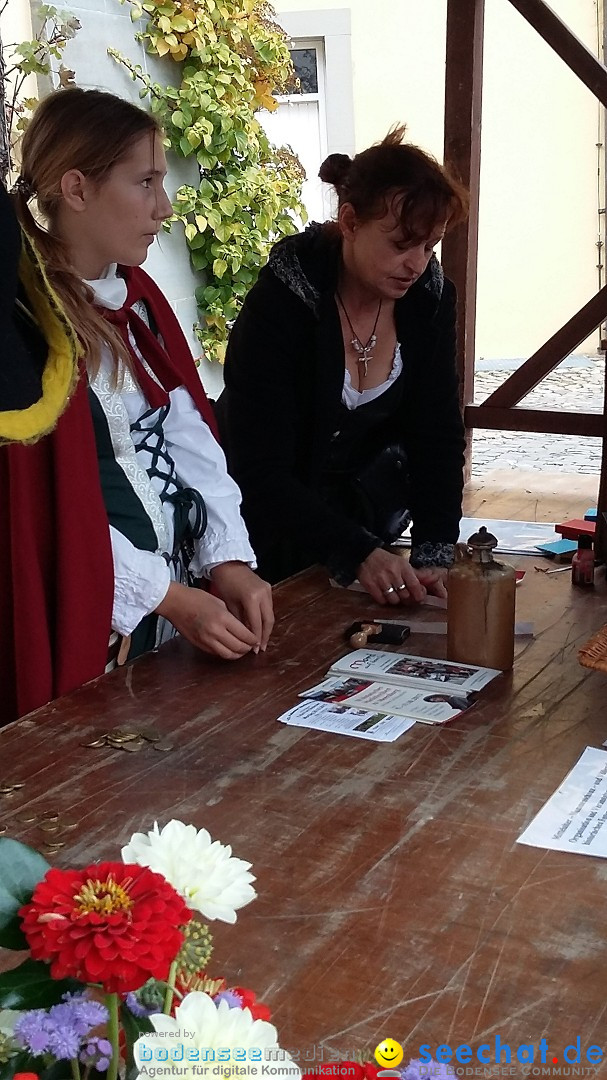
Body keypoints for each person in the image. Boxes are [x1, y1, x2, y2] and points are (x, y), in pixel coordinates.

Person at [4, 87, 273, 720]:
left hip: (180, 609)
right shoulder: (23, 324)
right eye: (145, 181)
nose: (164, 205)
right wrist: (165, 595)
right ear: (77, 188)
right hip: (93, 614)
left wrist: (227, 558)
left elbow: (191, 437)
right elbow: (44, 513)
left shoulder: (137, 297)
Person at [217, 126, 468, 607]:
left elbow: (436, 433)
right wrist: (357, 551)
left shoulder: (430, 300)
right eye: (401, 244)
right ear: (349, 222)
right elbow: (258, 466)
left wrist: (435, 551)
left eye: (429, 246)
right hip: (260, 533)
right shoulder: (284, 301)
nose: (416, 264)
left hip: (364, 528)